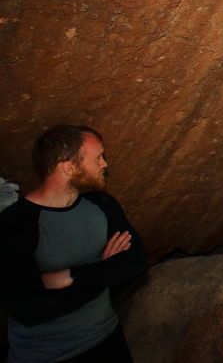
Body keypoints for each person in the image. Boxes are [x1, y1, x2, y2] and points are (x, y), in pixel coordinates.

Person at [0, 125, 147, 362]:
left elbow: (136, 262)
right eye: (98, 157)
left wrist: (68, 276)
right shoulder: (14, 225)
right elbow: (28, 308)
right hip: (46, 356)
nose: (104, 164)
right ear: (69, 166)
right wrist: (104, 269)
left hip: (107, 339)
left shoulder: (102, 205)